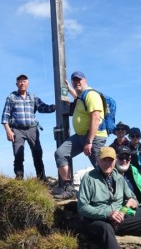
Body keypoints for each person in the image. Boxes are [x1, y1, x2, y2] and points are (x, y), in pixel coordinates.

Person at [77, 147, 141, 249]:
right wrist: (107, 214)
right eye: (104, 160)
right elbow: (82, 207)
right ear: (97, 160)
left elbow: (132, 198)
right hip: (97, 221)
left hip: (118, 220)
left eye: (110, 160)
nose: (107, 163)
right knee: (106, 228)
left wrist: (126, 207)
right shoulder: (89, 178)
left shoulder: (118, 177)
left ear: (115, 161)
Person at [54, 71, 108, 199]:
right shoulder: (81, 96)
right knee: (60, 154)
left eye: (79, 80)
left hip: (94, 137)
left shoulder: (91, 95)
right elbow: (77, 98)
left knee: (101, 167)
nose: (76, 82)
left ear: (85, 80)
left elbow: (95, 118)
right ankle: (69, 188)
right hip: (79, 137)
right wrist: (69, 89)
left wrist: (89, 141)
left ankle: (110, 194)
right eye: (74, 80)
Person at [1, 74, 55, 180]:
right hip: (17, 130)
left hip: (32, 129)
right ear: (17, 84)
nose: (22, 83)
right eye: (20, 81)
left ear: (28, 83)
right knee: (18, 155)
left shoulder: (33, 97)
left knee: (37, 153)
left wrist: (54, 107)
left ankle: (41, 179)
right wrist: (8, 131)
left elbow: (42, 107)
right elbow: (5, 116)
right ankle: (19, 179)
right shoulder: (11, 97)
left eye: (24, 81)